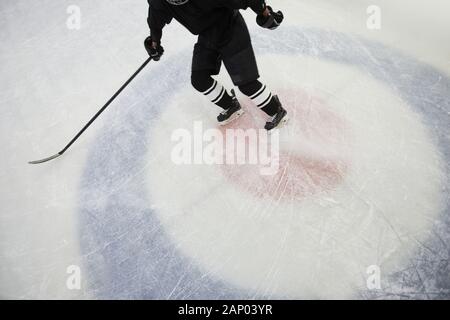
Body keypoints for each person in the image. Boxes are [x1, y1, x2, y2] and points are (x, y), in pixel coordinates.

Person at [145, 0, 287, 130]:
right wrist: (154, 42)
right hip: (207, 35)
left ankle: (277, 111)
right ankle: (231, 105)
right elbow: (156, 18)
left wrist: (265, 13)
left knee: (246, 84)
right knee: (200, 80)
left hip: (230, 28)